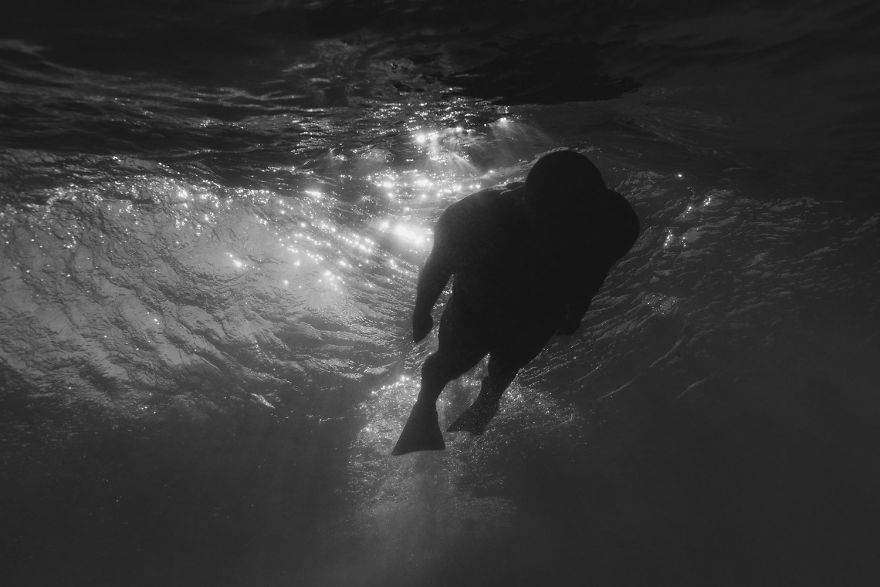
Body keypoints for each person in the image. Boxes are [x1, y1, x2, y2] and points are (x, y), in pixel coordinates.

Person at [392, 150, 640, 456]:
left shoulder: (616, 223)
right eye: (549, 223)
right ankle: (425, 407)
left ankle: (487, 402)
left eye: (571, 226)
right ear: (525, 202)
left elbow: (596, 269)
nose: (557, 236)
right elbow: (437, 266)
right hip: (479, 302)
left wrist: (578, 308)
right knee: (449, 363)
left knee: (509, 363)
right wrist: (422, 312)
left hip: (542, 307)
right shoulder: (474, 217)